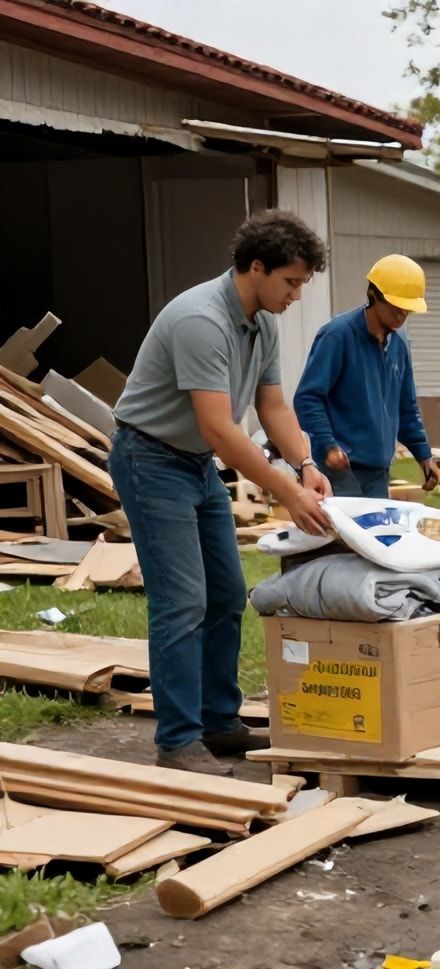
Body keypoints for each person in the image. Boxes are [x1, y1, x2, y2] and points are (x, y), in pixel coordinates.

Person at [110, 210, 331, 774]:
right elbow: (219, 428)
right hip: (151, 459)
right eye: (291, 282)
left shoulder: (263, 322)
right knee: (182, 601)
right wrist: (284, 490)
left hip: (196, 464)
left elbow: (273, 406)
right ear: (256, 267)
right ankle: (177, 742)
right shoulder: (200, 320)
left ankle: (218, 722)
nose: (296, 295)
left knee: (227, 594)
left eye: (302, 284)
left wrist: (304, 463)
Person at [293, 254, 437, 498]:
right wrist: (327, 445)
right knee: (344, 535)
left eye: (407, 310)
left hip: (378, 470)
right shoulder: (337, 336)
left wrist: (423, 454)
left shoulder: (399, 344)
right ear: (373, 295)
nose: (401, 316)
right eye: (396, 308)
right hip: (340, 468)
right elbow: (308, 398)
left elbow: (406, 406)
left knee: (374, 534)